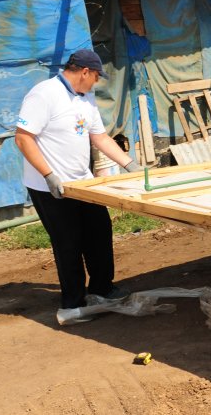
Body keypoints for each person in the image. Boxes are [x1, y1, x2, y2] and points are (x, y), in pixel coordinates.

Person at [15, 49, 140, 325]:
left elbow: (100, 136)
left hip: (81, 183)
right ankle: (72, 304)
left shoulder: (86, 98)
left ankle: (102, 288)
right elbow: (23, 138)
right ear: (84, 72)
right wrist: (49, 174)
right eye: (95, 77)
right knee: (68, 242)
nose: (96, 82)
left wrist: (131, 165)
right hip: (50, 187)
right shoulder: (44, 94)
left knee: (99, 231)